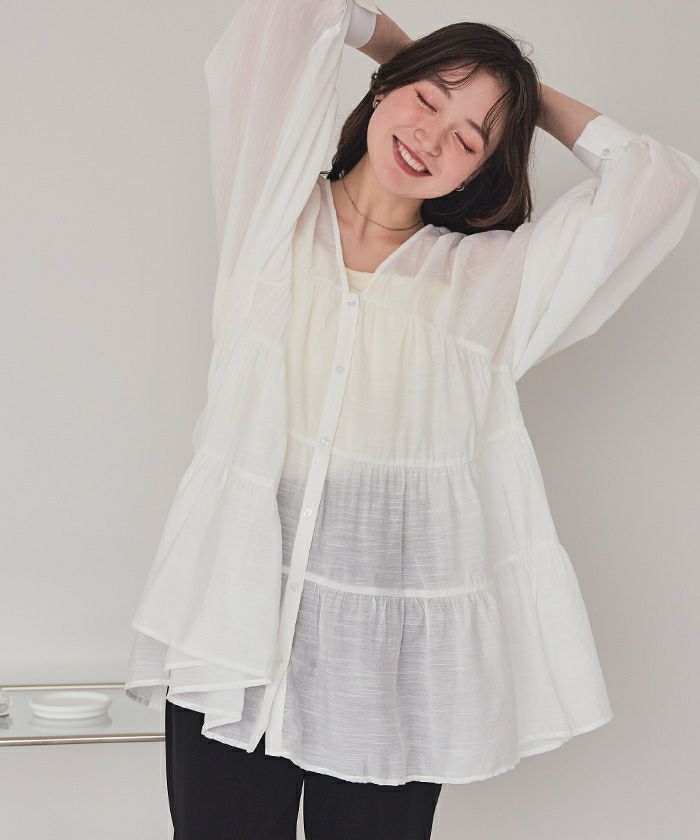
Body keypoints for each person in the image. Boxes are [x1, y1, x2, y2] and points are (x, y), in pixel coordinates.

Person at [124, 1, 700, 838]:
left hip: (388, 669)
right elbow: (290, 15)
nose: (431, 137)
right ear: (383, 89)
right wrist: (396, 45)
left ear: (480, 174)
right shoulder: (268, 216)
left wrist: (523, 99)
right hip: (230, 634)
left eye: (470, 139)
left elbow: (661, 181)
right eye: (427, 98)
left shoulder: (487, 285)